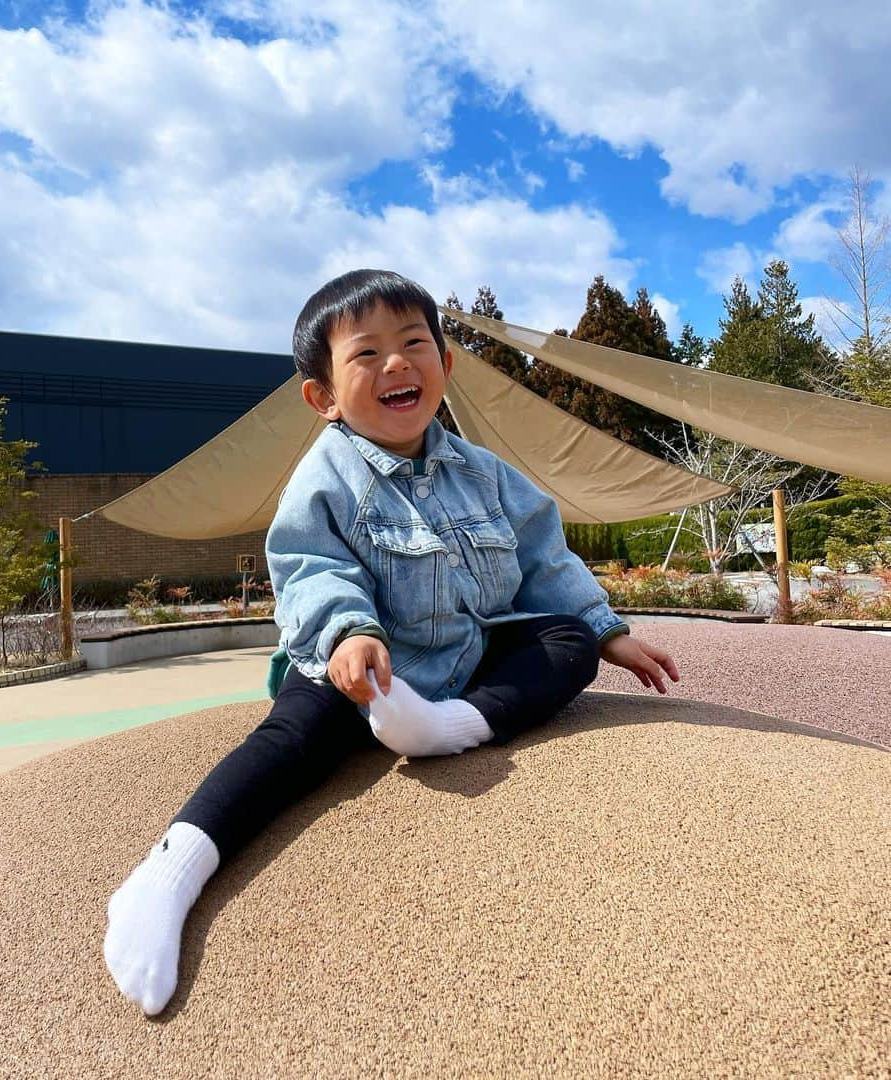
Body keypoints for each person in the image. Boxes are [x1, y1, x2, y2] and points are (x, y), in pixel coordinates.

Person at [103, 269, 680, 1015]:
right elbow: (313, 567)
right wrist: (348, 634)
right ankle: (171, 869)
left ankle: (447, 728)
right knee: (291, 737)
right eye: (366, 354)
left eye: (414, 344)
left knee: (564, 644)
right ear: (324, 397)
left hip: (466, 662)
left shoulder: (488, 473)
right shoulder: (326, 477)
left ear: (447, 363)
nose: (396, 365)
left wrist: (608, 635)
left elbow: (543, 557)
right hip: (358, 674)